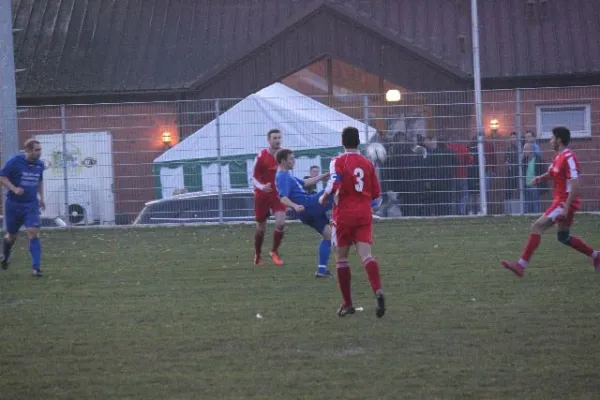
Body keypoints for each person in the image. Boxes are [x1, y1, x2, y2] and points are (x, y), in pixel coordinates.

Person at [501, 127, 600, 277]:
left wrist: (565, 207)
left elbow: (575, 183)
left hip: (563, 202)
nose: (550, 141)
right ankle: (596, 256)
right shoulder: (559, 157)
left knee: (536, 226)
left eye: (552, 138)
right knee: (563, 237)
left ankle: (521, 265)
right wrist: (540, 178)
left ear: (559, 139)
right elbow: (552, 172)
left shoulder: (569, 156)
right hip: (563, 202)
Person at [319, 127, 385, 318]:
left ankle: (348, 304)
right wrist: (368, 207)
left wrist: (324, 196)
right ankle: (378, 290)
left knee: (341, 258)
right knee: (366, 256)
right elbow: (377, 197)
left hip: (344, 215)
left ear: (343, 142)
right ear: (358, 142)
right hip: (364, 214)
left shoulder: (338, 161)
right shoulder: (368, 164)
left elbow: (334, 183)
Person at [274, 149, 334, 278]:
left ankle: (321, 271)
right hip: (309, 205)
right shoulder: (282, 176)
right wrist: (295, 205)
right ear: (283, 161)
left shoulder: (287, 175)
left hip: (306, 212)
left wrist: (324, 175)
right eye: (291, 158)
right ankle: (370, 203)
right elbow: (282, 197)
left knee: (328, 234)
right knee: (335, 190)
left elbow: (307, 183)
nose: (294, 161)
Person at [0, 139, 46, 277]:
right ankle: (5, 256)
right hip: (13, 205)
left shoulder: (40, 164)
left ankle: (36, 268)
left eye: (40, 149)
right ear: (28, 150)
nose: (39, 152)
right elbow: (2, 177)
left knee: (33, 233)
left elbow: (39, 181)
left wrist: (41, 198)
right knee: (11, 236)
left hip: (31, 204)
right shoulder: (14, 161)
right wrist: (14, 188)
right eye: (36, 150)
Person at [252, 129, 287, 266]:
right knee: (261, 227)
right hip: (262, 195)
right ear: (269, 140)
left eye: (279, 137)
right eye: (275, 138)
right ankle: (258, 254)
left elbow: (288, 172)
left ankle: (274, 251)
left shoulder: (284, 155)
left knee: (281, 223)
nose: (278, 140)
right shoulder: (261, 156)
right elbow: (253, 176)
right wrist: (262, 187)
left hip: (278, 195)